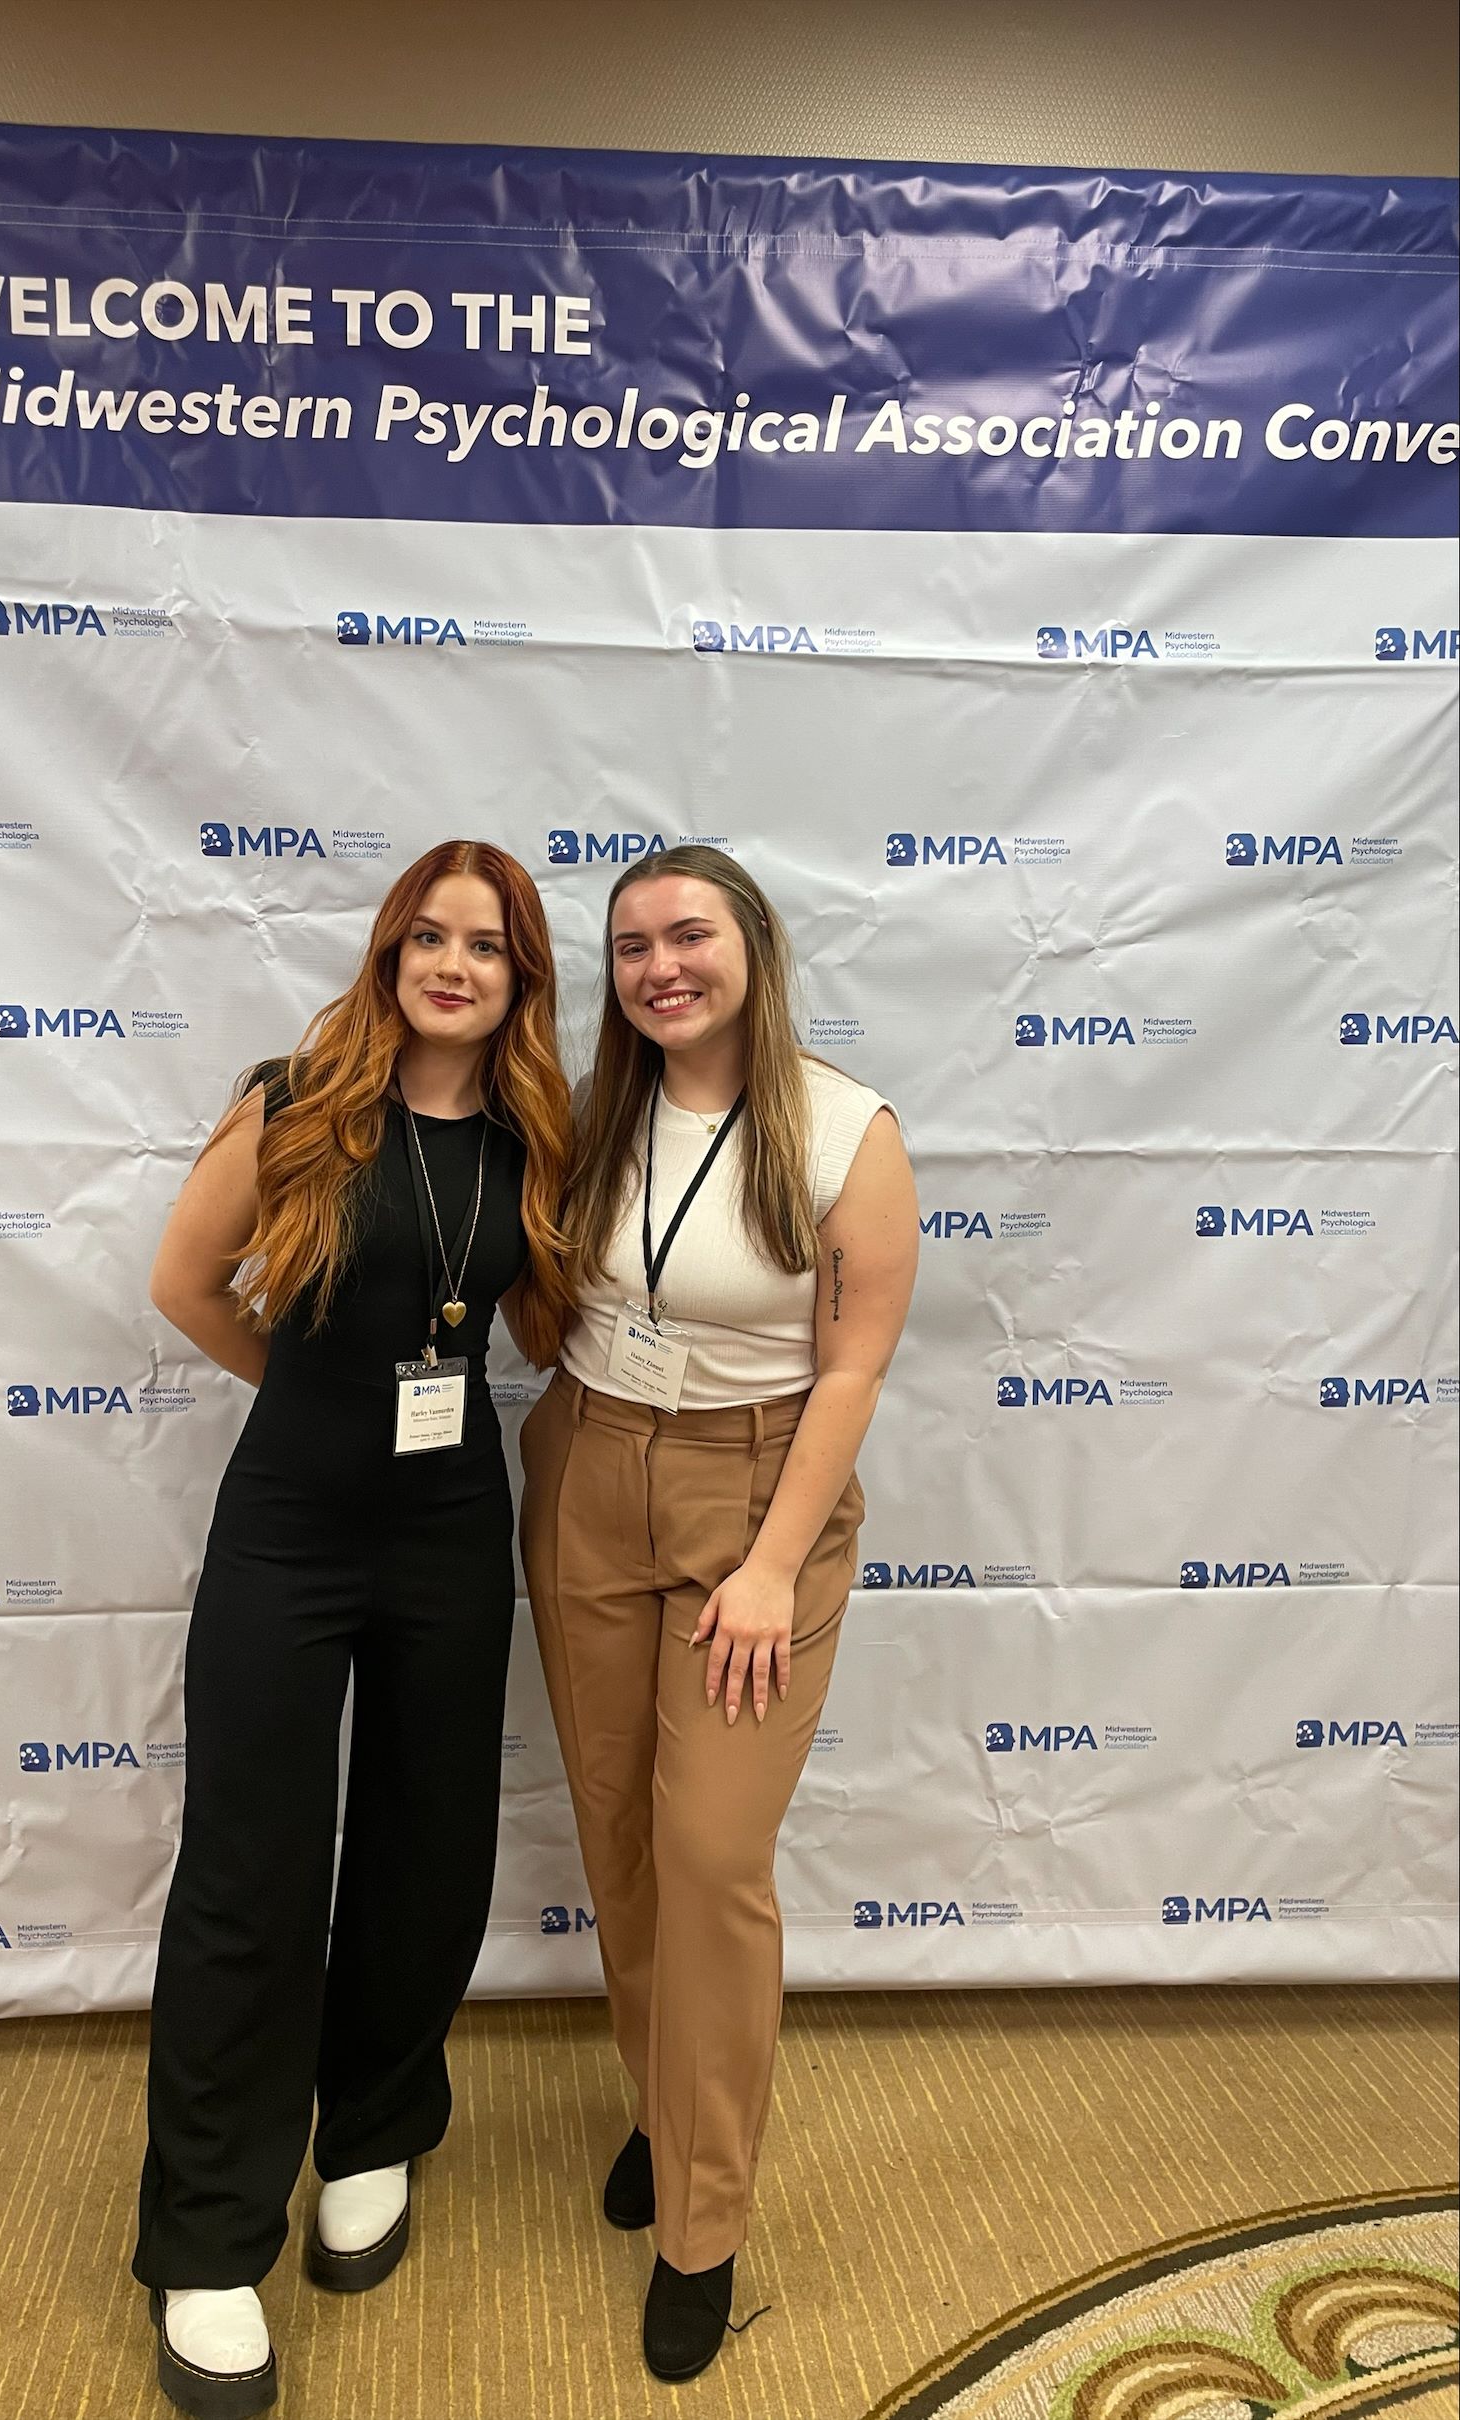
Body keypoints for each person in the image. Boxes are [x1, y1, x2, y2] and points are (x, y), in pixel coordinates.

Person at [133, 841, 570, 2419]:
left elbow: (548, 1318)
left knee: (426, 1848)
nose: (455, 965)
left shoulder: (538, 1144)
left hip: (452, 1535)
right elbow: (189, 1284)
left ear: (523, 978)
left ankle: (374, 2130)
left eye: (490, 945)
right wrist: (317, 1400)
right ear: (389, 955)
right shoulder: (297, 1100)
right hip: (291, 1532)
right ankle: (204, 2241)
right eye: (428, 937)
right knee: (252, 1872)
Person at [520, 843, 918, 2383]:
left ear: (753, 943)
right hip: (589, 1463)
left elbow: (855, 1363)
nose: (659, 965)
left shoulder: (842, 1127)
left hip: (759, 1498)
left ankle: (705, 2221)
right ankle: (660, 2105)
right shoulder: (596, 1112)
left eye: (688, 934)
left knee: (709, 1852)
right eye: (629, 945)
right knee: (620, 1831)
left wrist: (767, 1561)